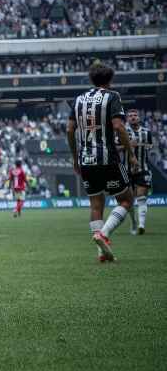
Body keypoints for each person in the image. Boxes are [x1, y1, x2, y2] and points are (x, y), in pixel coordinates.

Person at [66, 63, 136, 262]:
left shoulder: (78, 99)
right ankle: (103, 234)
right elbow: (119, 127)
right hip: (107, 157)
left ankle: (101, 253)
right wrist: (131, 154)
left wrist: (74, 157)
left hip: (85, 159)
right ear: (110, 80)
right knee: (126, 200)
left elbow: (70, 129)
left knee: (96, 204)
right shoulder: (112, 97)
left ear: (91, 80)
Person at [124, 109, 153, 235]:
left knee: (141, 197)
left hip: (143, 168)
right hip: (126, 170)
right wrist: (128, 145)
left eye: (135, 115)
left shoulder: (147, 132)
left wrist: (141, 147)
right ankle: (134, 222)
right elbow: (115, 148)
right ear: (127, 119)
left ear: (139, 117)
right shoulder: (122, 132)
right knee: (128, 200)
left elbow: (150, 147)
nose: (133, 117)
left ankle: (141, 225)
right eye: (130, 116)